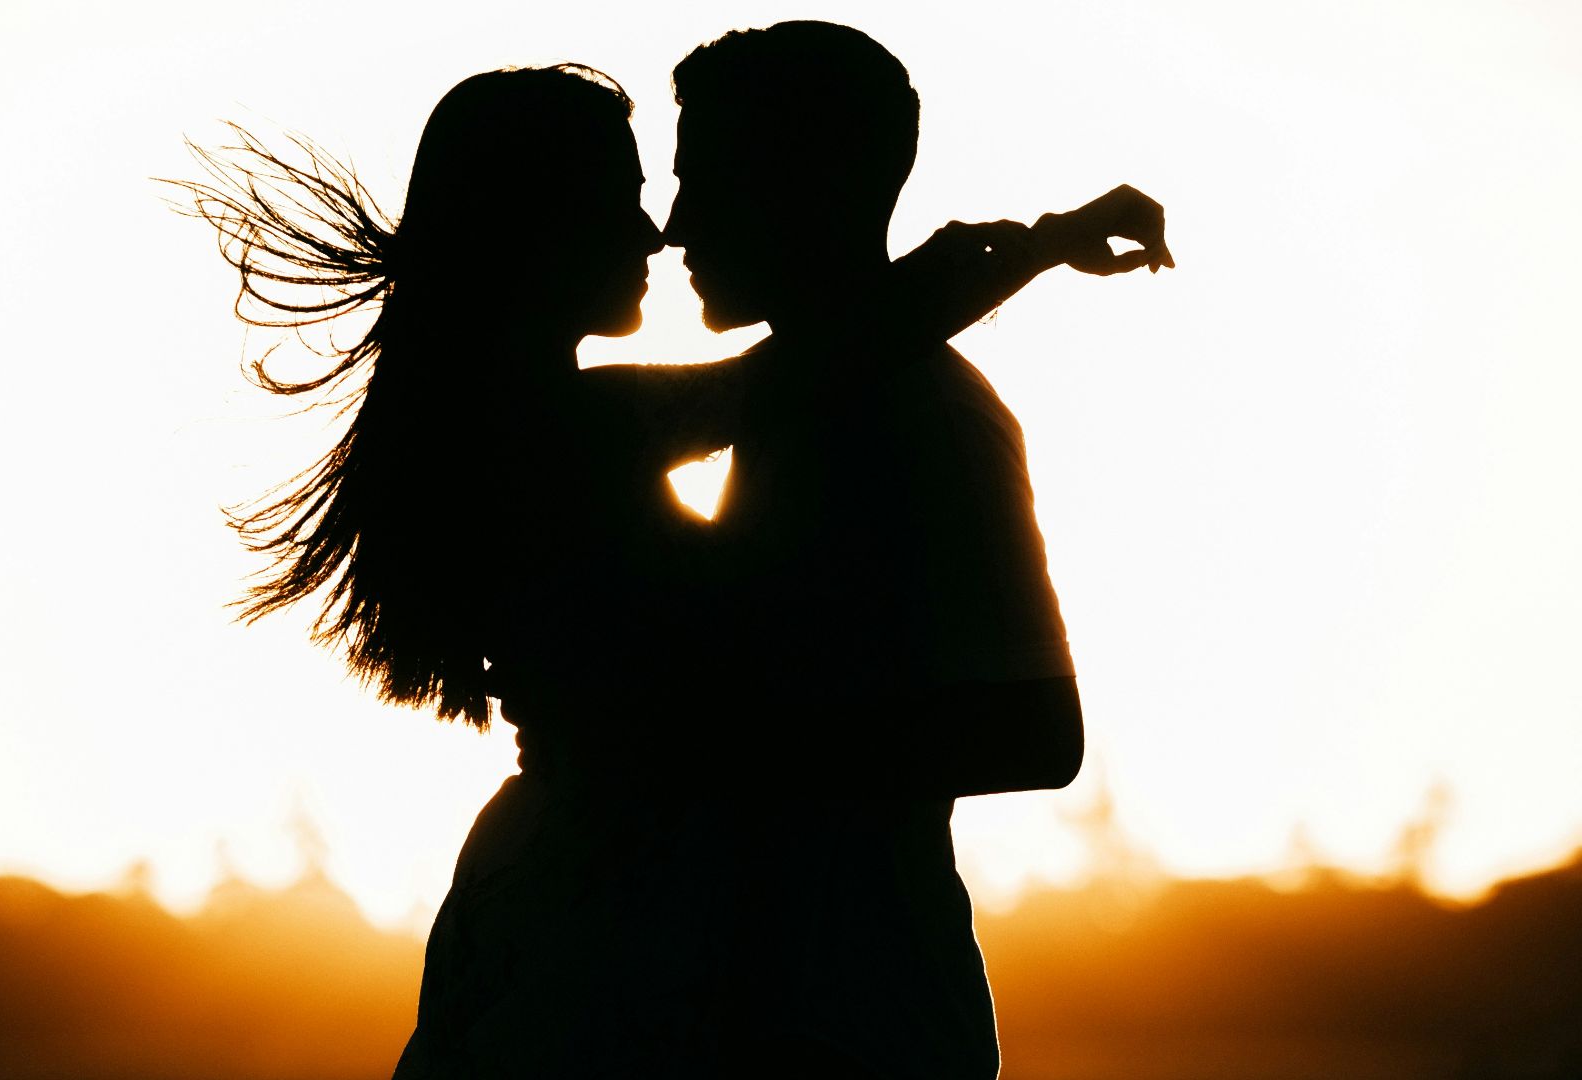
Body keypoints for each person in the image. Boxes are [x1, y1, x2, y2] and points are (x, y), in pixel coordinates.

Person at [167, 51, 1168, 1080]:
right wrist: (1038, 246)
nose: (658, 231)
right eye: (624, 199)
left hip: (578, 900)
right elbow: (800, 369)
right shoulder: (564, 429)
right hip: (593, 924)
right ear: (536, 231)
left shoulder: (520, 420)